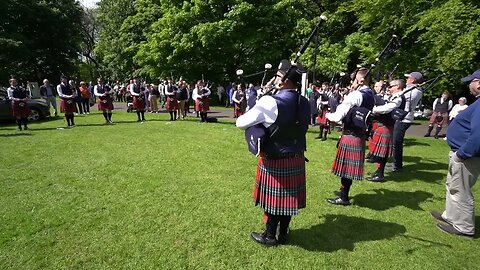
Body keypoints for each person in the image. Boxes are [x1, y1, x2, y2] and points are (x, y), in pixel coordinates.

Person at [236, 59, 310, 246]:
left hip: (275, 157)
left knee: (274, 200)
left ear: (283, 80)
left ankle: (269, 236)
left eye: (277, 75)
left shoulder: (270, 101)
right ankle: (283, 234)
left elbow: (240, 123)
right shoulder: (305, 102)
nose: (274, 78)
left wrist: (256, 105)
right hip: (296, 157)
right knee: (288, 199)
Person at [431, 69, 480, 239]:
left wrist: (463, 153)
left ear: (479, 83)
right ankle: (451, 216)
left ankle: (464, 227)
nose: (468, 85)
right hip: (462, 153)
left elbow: (478, 135)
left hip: (466, 156)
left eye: (470, 81)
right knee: (453, 186)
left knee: (461, 190)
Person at [325, 67, 374, 205]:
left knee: (346, 170)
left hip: (350, 135)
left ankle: (344, 197)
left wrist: (327, 115)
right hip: (359, 135)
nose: (351, 82)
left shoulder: (356, 95)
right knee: (347, 169)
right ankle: (343, 193)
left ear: (360, 80)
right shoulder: (370, 94)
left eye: (353, 79)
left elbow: (338, 116)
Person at [367, 79, 406, 182]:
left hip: (386, 126)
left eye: (391, 86)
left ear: (397, 86)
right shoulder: (394, 97)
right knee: (379, 152)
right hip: (383, 126)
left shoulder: (399, 98)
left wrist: (374, 109)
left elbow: (387, 108)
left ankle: (380, 174)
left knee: (382, 153)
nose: (389, 88)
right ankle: (378, 171)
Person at [391, 71, 423, 172]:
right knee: (395, 142)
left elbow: (404, 99)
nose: (406, 80)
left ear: (413, 80)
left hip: (404, 118)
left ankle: (397, 165)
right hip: (401, 117)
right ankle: (396, 163)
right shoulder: (410, 89)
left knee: (397, 142)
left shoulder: (416, 91)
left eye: (408, 78)